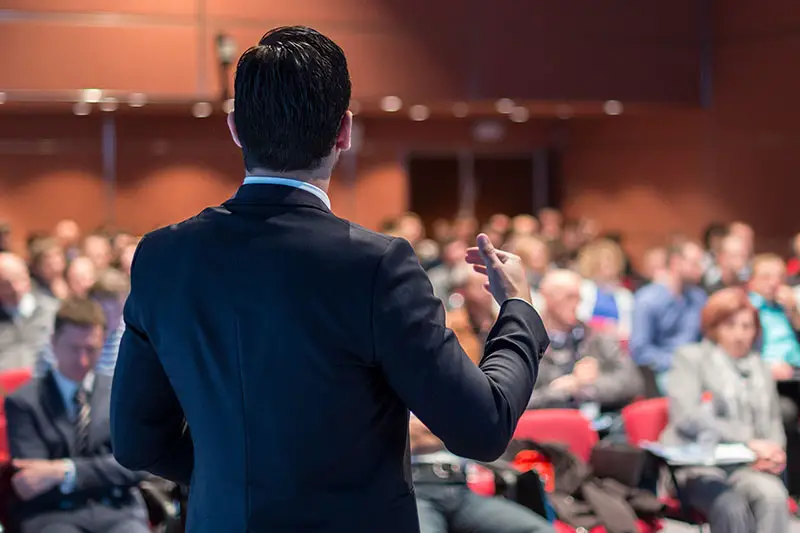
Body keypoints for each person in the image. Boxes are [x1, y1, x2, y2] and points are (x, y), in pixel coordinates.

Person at [109, 26, 548, 533]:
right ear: (344, 131)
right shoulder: (376, 265)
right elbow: (483, 427)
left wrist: (241, 481)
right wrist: (520, 311)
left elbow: (138, 441)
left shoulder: (162, 256)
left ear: (234, 127)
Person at [5, 298, 149, 533]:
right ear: (53, 342)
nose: (82, 360)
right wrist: (104, 469)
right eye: (74, 348)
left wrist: (64, 471)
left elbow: (137, 466)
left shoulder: (121, 392)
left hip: (117, 510)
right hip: (53, 515)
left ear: (103, 344)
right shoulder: (24, 401)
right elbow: (31, 480)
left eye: (91, 349)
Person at [660, 288, 790, 533]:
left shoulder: (760, 366)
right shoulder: (690, 358)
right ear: (714, 327)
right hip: (699, 463)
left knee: (773, 496)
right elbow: (687, 416)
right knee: (731, 506)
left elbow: (773, 419)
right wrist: (749, 441)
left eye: (747, 326)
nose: (739, 335)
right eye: (730, 326)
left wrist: (774, 451)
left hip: (746, 465)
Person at [410, 416, 553, 533]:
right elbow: (407, 436)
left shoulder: (455, 391)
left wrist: (438, 432)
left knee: (540, 530)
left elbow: (477, 435)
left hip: (460, 490)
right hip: (416, 492)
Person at [528, 270, 642, 411]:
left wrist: (587, 386)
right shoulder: (528, 343)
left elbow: (632, 383)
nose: (576, 304)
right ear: (546, 297)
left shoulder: (596, 336)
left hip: (602, 423)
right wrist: (560, 391)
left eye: (579, 298)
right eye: (569, 297)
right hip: (549, 426)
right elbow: (512, 402)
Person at [630, 241, 707, 392]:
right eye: (695, 263)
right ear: (676, 262)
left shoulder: (699, 298)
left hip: (698, 367)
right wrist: (679, 362)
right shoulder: (647, 299)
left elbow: (708, 339)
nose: (701, 269)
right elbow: (640, 350)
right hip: (665, 370)